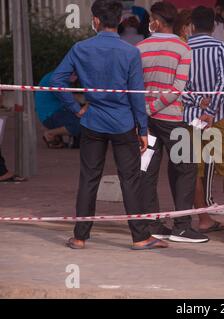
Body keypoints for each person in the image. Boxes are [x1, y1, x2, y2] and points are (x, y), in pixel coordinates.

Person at [51, 0, 159, 250]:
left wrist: (76, 108)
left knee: (89, 179)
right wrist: (142, 129)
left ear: (96, 21)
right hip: (123, 123)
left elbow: (57, 80)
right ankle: (140, 237)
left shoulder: (80, 48)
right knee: (130, 179)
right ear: (120, 21)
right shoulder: (131, 52)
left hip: (92, 122)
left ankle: (80, 237)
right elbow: (136, 94)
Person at [137, 1, 209, 244]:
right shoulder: (182, 48)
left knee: (148, 168)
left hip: (146, 120)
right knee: (187, 168)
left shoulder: (139, 48)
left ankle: (152, 223)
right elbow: (178, 87)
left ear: (155, 21)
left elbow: (135, 86)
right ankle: (182, 226)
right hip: (172, 118)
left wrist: (146, 110)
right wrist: (156, 107)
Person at [182, 6, 224, 234]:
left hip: (190, 118)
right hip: (219, 118)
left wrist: (199, 102)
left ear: (192, 25)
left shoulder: (184, 47)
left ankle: (204, 219)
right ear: (213, 25)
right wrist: (212, 109)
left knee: (194, 170)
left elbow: (181, 85)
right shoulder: (221, 47)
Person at [36, 71, 81, 149]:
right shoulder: (57, 79)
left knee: (81, 116)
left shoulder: (55, 76)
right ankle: (50, 134)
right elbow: (69, 101)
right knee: (82, 123)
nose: (76, 78)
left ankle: (69, 138)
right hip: (51, 114)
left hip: (50, 113)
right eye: (75, 74)